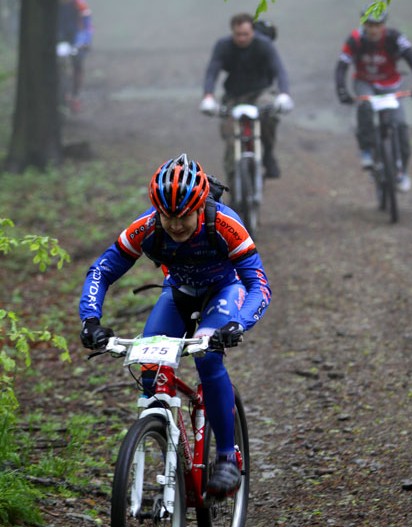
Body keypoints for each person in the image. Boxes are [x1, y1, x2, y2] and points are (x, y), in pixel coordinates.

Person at [79, 153, 272, 499]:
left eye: (183, 216)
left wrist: (239, 323)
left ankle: (227, 456)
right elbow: (102, 272)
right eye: (167, 216)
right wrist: (91, 319)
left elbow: (257, 283)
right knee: (150, 370)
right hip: (178, 291)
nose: (175, 224)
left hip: (224, 291)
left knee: (208, 357)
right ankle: (163, 442)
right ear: (157, 211)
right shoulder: (147, 228)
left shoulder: (225, 225)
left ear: (200, 206)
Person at [335, 3, 412, 193]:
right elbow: (341, 67)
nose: (374, 29)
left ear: (384, 25)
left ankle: (401, 171)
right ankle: (367, 150)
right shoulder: (355, 40)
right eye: (370, 25)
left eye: (378, 25)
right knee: (365, 107)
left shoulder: (394, 37)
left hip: (390, 84)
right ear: (364, 24)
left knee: (400, 125)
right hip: (364, 82)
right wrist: (342, 90)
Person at [199, 12, 293, 182]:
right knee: (229, 139)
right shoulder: (223, 46)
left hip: (261, 92)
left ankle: (268, 154)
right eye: (238, 34)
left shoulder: (264, 45)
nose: (242, 38)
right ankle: (233, 187)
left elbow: (280, 70)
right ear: (232, 32)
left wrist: (284, 94)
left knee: (270, 115)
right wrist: (208, 96)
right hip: (233, 96)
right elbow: (212, 72)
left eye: (246, 34)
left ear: (253, 31)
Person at [57, 0, 93, 112]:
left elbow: (87, 26)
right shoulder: (49, 6)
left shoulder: (80, 5)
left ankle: (75, 96)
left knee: (78, 64)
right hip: (58, 39)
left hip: (76, 39)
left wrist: (85, 41)